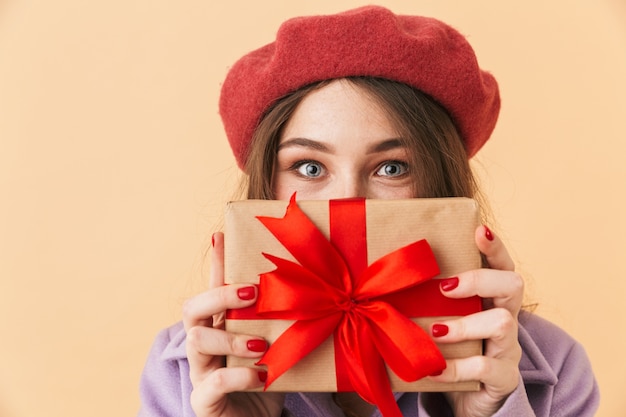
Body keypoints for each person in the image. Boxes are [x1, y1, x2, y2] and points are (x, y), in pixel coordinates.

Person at [138, 6, 599, 417]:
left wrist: (485, 412)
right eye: (310, 166)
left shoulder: (552, 364)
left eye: (392, 167)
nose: (348, 201)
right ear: (266, 185)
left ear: (441, 185)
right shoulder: (179, 371)